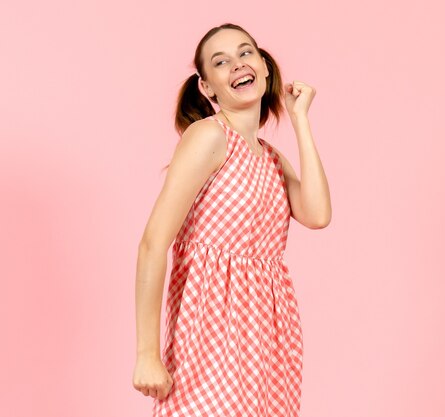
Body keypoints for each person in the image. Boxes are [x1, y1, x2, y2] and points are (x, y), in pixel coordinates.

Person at [132, 23, 331, 417]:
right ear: (208, 88)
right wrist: (146, 353)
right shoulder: (208, 136)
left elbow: (318, 214)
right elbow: (153, 243)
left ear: (264, 65)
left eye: (245, 53)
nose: (237, 64)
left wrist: (300, 120)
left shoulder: (272, 159)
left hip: (266, 337)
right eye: (220, 62)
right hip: (209, 332)